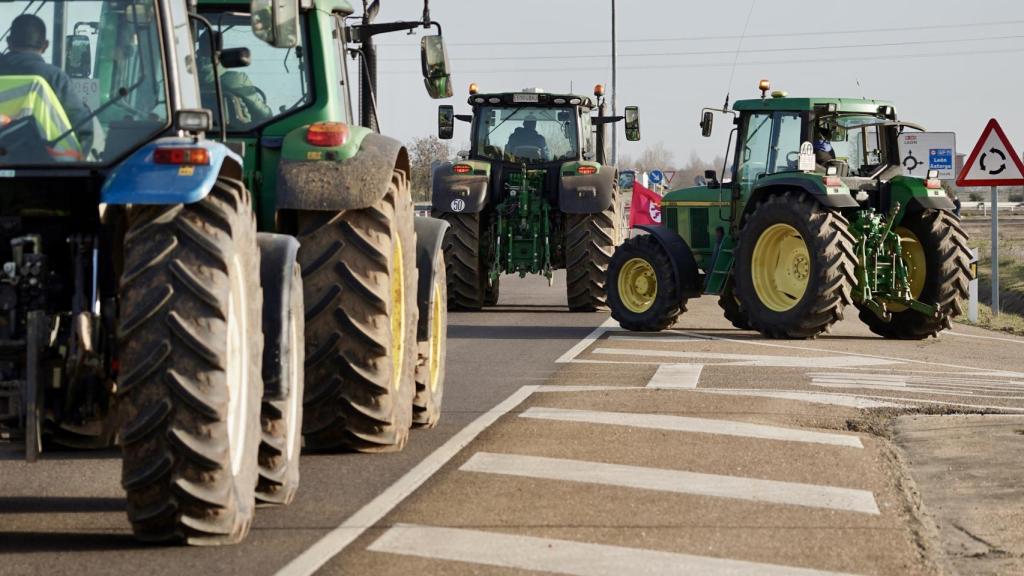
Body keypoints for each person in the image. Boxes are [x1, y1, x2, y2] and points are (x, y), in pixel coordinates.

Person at [0, 14, 89, 136]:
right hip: (44, 153)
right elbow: (82, 126)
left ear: (9, 42)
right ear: (45, 45)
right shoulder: (55, 78)